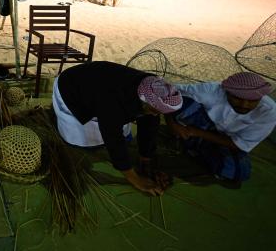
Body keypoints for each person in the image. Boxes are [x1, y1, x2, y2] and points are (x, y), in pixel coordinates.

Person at [53, 61, 183, 195]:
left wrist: (146, 158)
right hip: (71, 88)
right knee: (87, 141)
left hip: (97, 83)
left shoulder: (152, 87)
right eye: (154, 110)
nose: (156, 114)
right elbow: (112, 136)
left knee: (141, 119)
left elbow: (150, 120)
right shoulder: (114, 102)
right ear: (144, 103)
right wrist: (134, 178)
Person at [166, 72, 275, 185]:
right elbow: (168, 94)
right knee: (185, 103)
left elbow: (240, 145)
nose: (244, 105)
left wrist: (195, 132)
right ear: (226, 91)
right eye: (237, 98)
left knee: (239, 172)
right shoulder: (210, 91)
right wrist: (172, 125)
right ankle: (188, 144)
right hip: (201, 122)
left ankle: (196, 150)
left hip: (223, 140)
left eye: (252, 101)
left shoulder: (269, 112)